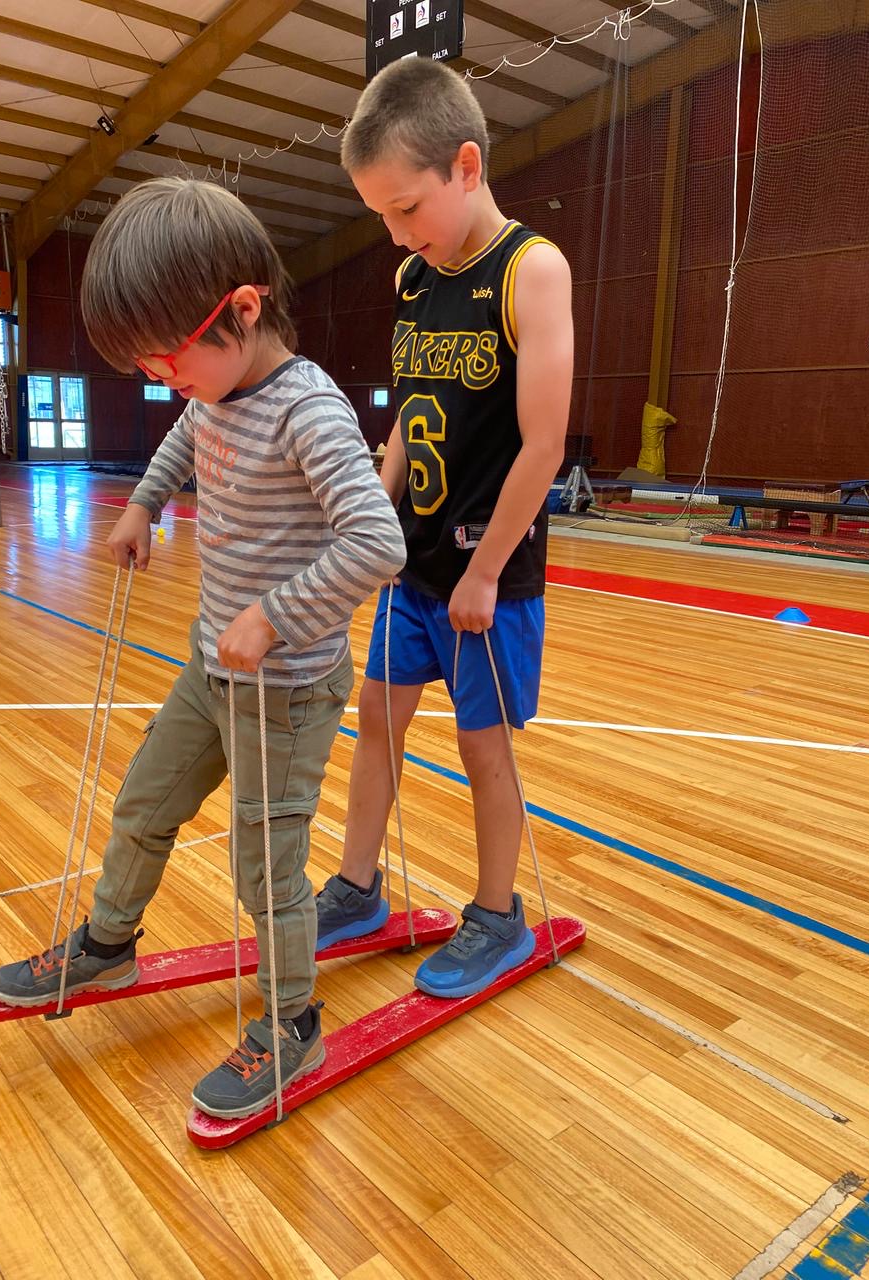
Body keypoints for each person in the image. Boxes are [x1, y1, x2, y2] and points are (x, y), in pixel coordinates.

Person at [0, 177, 406, 1118]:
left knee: (266, 868)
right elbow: (186, 435)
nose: (161, 379)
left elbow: (377, 543)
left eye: (167, 360)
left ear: (244, 310)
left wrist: (275, 616)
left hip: (285, 690)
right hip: (210, 671)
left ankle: (292, 1023)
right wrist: (142, 504)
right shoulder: (213, 391)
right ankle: (108, 945)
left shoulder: (309, 412)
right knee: (144, 803)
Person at [314, 56, 574, 998]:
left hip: (484, 577)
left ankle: (498, 914)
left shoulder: (532, 270)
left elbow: (543, 445)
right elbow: (406, 420)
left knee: (481, 746)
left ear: (466, 166)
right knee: (375, 721)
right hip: (412, 566)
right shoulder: (414, 278)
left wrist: (486, 571)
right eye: (380, 215)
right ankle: (357, 888)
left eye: (405, 208)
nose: (395, 233)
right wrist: (371, 518)